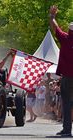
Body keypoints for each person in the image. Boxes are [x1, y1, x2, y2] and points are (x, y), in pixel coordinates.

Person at [49, 5, 73, 137]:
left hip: (67, 77)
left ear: (69, 31)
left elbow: (55, 27)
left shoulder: (65, 38)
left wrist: (52, 16)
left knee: (66, 104)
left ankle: (67, 130)